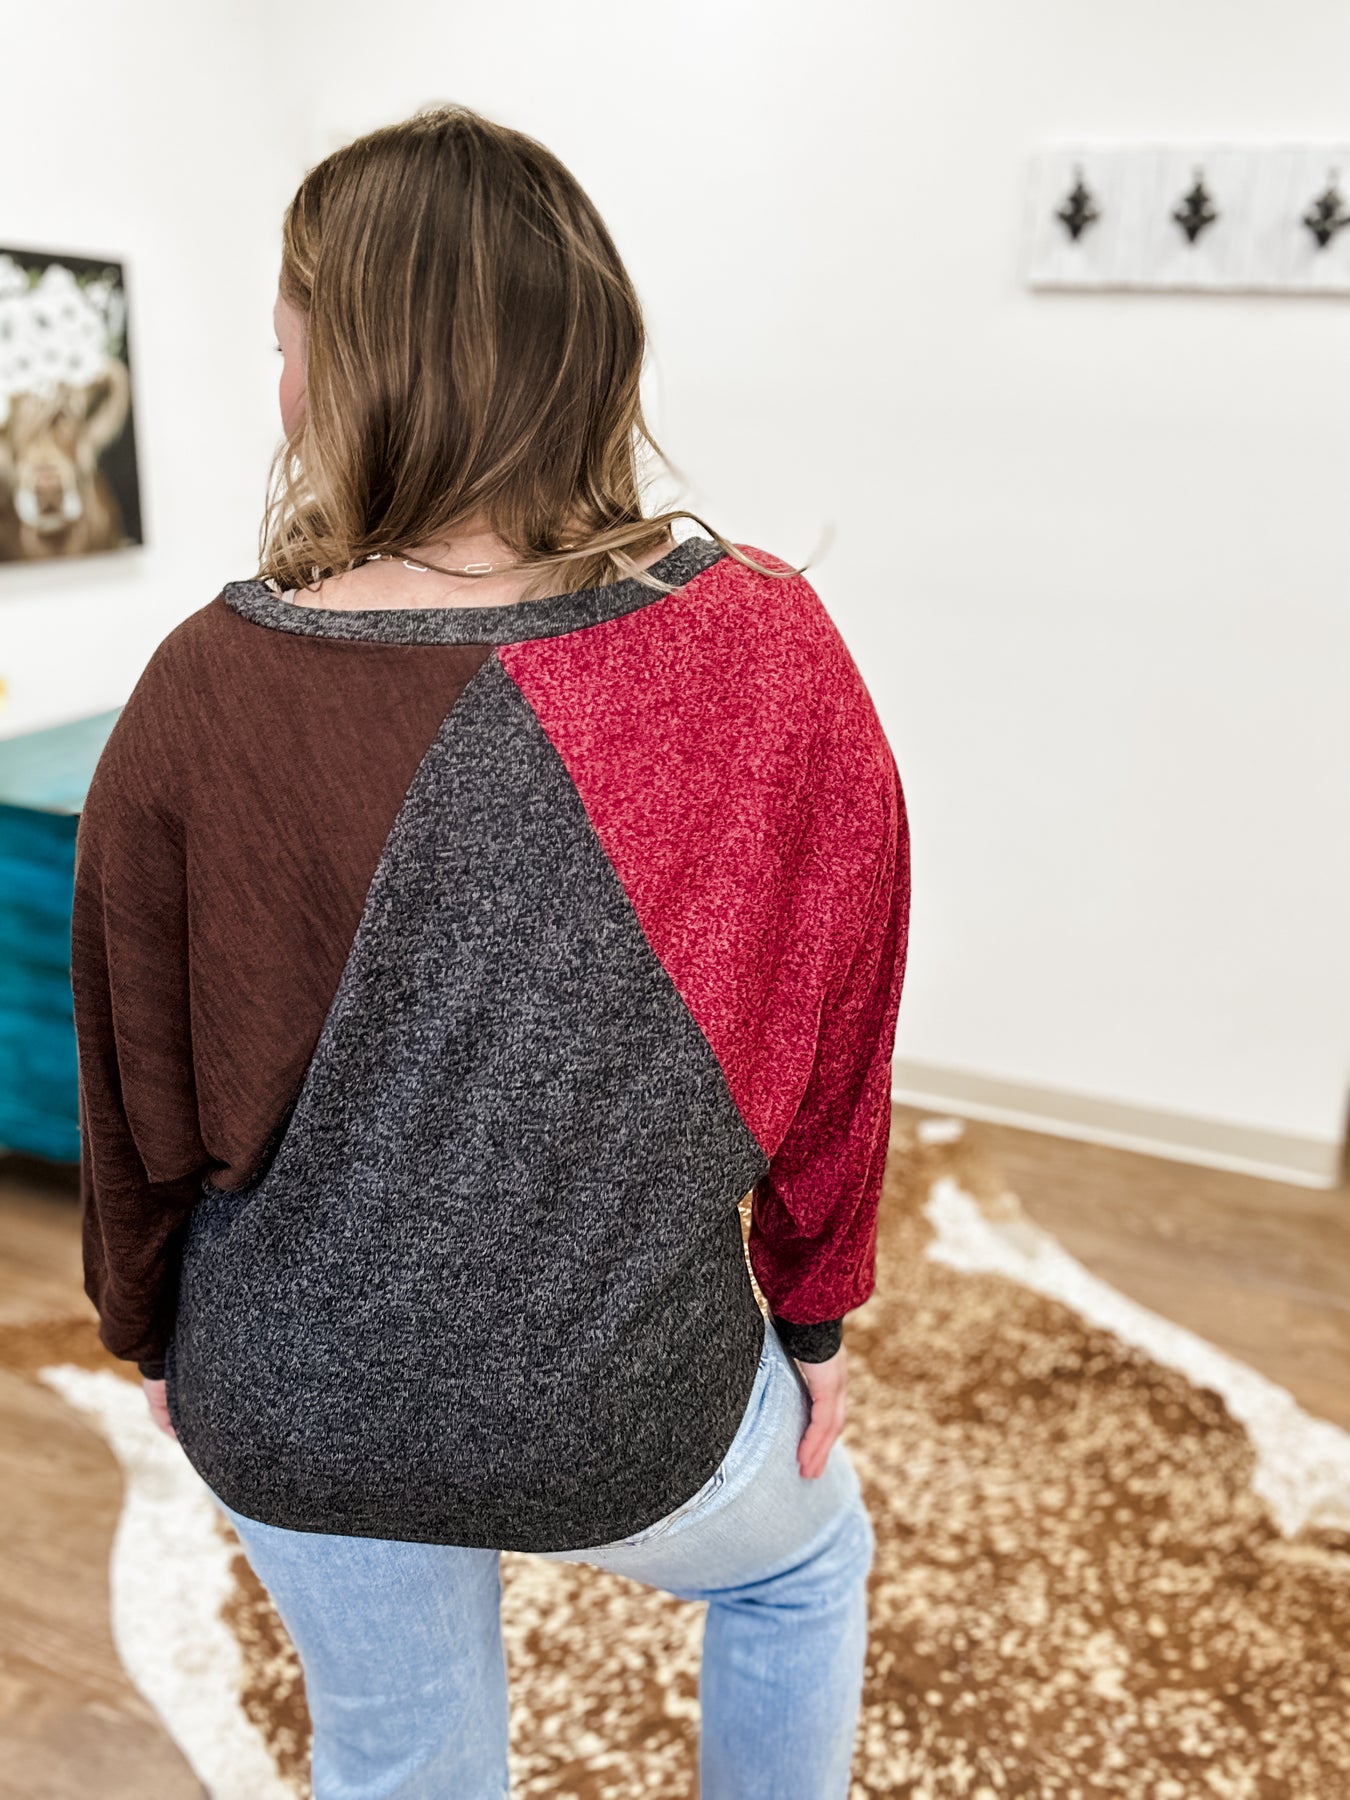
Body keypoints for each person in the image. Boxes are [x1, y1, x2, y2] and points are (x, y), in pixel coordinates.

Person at [69, 103, 910, 1800]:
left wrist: (151, 1334)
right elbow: (843, 1021)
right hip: (618, 1408)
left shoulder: (200, 685)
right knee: (802, 1569)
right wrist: (812, 1317)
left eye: (286, 348)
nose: (280, 385)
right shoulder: (760, 644)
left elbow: (133, 1083)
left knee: (407, 1759)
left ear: (348, 376)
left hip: (292, 1395)